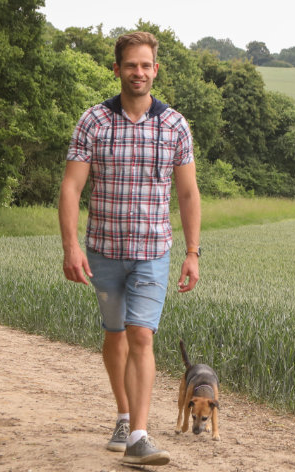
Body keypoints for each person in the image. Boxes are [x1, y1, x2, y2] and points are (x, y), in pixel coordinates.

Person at [58, 31, 201, 466]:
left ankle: (139, 434)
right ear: (117, 69)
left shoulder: (175, 125)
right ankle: (123, 414)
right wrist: (70, 246)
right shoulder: (93, 121)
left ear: (155, 70)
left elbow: (189, 194)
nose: (138, 72)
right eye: (130, 65)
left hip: (153, 250)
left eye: (146, 65)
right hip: (102, 249)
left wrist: (193, 252)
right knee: (114, 333)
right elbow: (71, 186)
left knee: (141, 335)